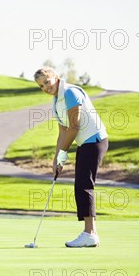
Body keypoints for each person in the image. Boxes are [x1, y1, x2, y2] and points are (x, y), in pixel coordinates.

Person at [33, 67, 108, 248]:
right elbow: (62, 132)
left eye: (47, 82)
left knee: (84, 184)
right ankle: (91, 233)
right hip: (85, 143)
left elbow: (74, 127)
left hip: (95, 140)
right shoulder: (56, 101)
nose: (45, 87)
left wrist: (64, 153)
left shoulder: (70, 93)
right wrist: (56, 158)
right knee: (80, 184)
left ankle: (89, 234)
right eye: (41, 86)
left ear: (55, 77)